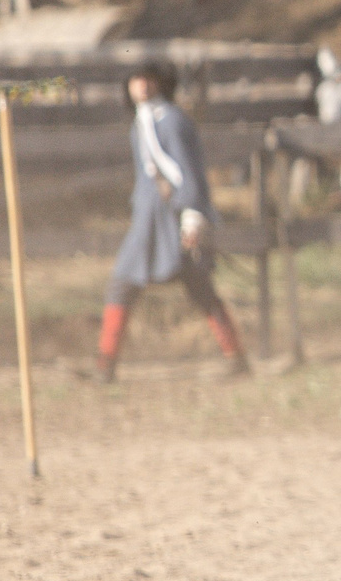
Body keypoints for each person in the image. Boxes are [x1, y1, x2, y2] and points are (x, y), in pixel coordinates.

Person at [98, 62, 248, 382]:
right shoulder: (140, 125)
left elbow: (189, 175)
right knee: (123, 283)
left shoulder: (172, 121)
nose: (141, 86)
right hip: (147, 221)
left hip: (173, 218)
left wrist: (192, 217)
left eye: (148, 79)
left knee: (198, 287)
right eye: (136, 79)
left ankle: (236, 358)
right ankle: (105, 365)